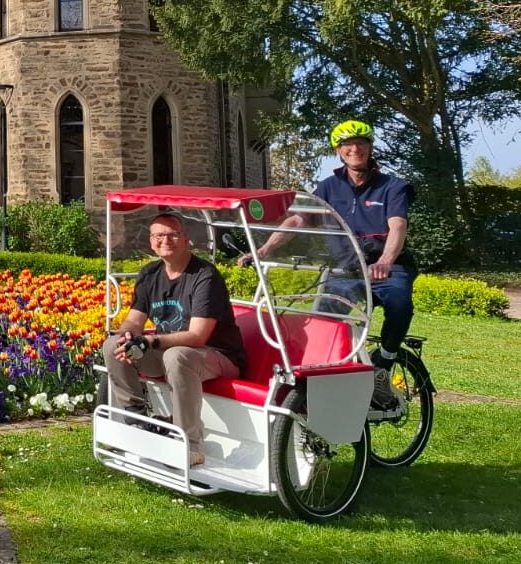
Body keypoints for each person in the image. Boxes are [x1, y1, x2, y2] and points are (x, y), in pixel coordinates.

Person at [240, 119, 416, 409]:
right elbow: (298, 220)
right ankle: (324, 381)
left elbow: (397, 226)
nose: (355, 149)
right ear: (338, 151)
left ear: (370, 147)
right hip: (345, 270)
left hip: (387, 269)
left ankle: (384, 362)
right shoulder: (328, 188)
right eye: (347, 145)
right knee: (322, 322)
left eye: (361, 143)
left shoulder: (392, 187)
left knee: (399, 304)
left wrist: (386, 261)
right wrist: (264, 249)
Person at [102, 212, 245, 467]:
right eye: (159, 235)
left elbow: (198, 336)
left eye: (173, 235)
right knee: (114, 345)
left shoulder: (205, 276)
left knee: (177, 355)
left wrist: (151, 342)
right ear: (151, 241)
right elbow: (134, 320)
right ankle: (135, 423)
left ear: (186, 239)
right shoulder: (150, 274)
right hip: (172, 353)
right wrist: (128, 336)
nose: (165, 240)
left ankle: (190, 445)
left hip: (217, 355)